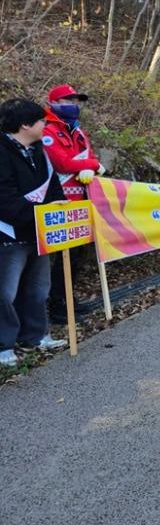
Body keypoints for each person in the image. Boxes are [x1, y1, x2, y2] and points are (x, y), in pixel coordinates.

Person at [1, 98, 69, 367]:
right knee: (5, 293)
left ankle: (36, 336)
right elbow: (4, 198)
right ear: (25, 124)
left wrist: (57, 209)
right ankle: (4, 344)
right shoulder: (3, 152)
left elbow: (53, 187)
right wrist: (38, 213)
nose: (46, 125)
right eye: (42, 121)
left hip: (40, 231)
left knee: (38, 289)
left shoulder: (40, 151)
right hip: (8, 234)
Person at [42, 84, 106, 323]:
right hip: (59, 203)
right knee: (63, 257)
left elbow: (90, 157)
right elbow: (63, 164)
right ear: (54, 104)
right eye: (68, 100)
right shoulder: (48, 131)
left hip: (82, 200)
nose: (74, 105)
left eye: (77, 101)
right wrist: (90, 166)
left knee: (77, 255)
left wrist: (91, 165)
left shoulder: (77, 131)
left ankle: (68, 299)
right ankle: (57, 305)